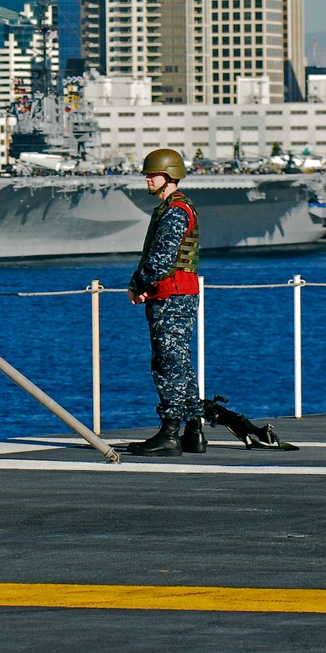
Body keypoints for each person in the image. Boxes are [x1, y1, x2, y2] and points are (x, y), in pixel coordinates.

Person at [127, 148, 205, 455]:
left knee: (166, 363)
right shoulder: (178, 207)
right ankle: (194, 428)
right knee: (181, 362)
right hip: (179, 292)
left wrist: (136, 284)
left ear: (168, 176)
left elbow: (159, 260)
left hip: (172, 296)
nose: (147, 179)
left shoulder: (173, 211)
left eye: (152, 174)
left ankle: (170, 433)